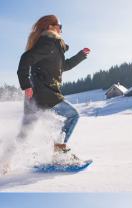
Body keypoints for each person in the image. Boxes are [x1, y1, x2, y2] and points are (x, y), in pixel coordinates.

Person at [17, 15, 90, 153]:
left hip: (35, 94)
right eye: (60, 26)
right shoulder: (49, 43)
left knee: (25, 132)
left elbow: (64, 66)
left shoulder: (53, 46)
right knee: (73, 115)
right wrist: (26, 84)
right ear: (51, 27)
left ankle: (2, 161)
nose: (61, 29)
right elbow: (26, 58)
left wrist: (81, 55)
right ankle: (58, 152)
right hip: (45, 92)